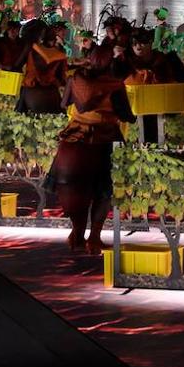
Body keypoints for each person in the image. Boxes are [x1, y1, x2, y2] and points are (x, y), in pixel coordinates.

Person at [45, 44, 134, 254]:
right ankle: (94, 237)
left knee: (73, 189)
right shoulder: (115, 85)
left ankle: (76, 233)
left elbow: (63, 103)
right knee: (103, 191)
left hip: (74, 136)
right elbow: (127, 115)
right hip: (104, 139)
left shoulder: (76, 79)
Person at [19, 22, 68, 114]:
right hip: (51, 92)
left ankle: (20, 109)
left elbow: (18, 64)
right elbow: (62, 76)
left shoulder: (32, 48)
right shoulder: (60, 54)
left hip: (31, 88)